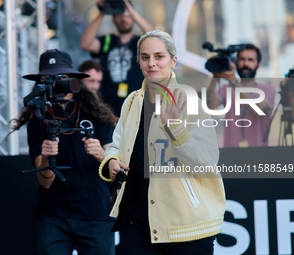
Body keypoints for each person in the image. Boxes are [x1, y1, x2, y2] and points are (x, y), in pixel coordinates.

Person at [98, 30, 225, 254]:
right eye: (145, 57)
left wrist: (175, 127)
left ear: (173, 61)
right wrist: (110, 161)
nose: (151, 63)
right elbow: (116, 144)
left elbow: (206, 163)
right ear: (138, 62)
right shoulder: (132, 101)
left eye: (159, 56)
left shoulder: (189, 100)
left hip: (185, 224)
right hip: (136, 219)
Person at [11, 49, 118, 255]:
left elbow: (114, 166)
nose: (56, 82)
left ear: (71, 78)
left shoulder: (97, 113)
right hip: (54, 214)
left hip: (95, 211)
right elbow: (46, 181)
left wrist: (99, 154)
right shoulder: (38, 119)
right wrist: (47, 157)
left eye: (61, 77)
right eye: (49, 78)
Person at [80, 0, 154, 116]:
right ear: (113, 19)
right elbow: (85, 44)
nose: (124, 19)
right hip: (108, 109)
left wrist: (134, 13)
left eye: (128, 15)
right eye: (119, 15)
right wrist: (103, 11)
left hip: (138, 109)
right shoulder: (108, 41)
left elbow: (157, 38)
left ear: (133, 17)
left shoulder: (141, 42)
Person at [207, 44, 276, 147]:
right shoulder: (227, 88)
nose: (245, 63)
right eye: (242, 59)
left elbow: (257, 109)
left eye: (250, 60)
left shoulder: (268, 89)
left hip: (259, 156)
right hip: (232, 156)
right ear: (236, 62)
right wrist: (215, 76)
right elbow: (209, 106)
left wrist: (233, 81)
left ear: (258, 64)